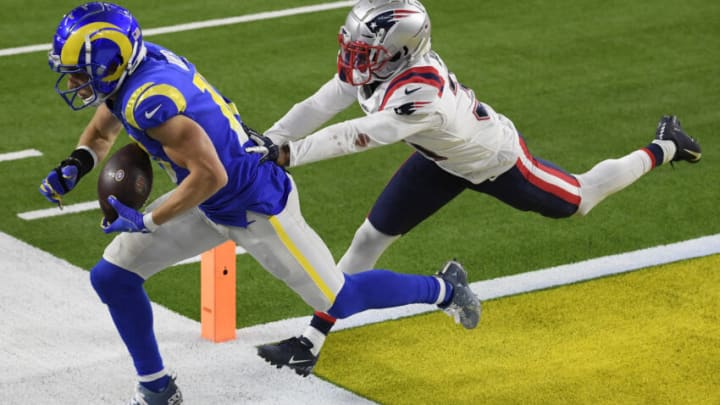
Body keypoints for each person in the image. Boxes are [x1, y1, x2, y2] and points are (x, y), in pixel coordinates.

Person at [38, 3, 481, 404]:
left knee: (338, 299)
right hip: (207, 198)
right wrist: (76, 165)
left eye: (80, 72)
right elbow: (102, 131)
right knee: (112, 278)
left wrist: (149, 220)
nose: (74, 82)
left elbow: (213, 175)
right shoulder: (136, 70)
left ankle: (445, 289)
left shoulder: (150, 99)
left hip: (254, 203)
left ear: (113, 62)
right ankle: (156, 388)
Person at [253, 0, 702, 377]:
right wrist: (272, 138)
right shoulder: (381, 70)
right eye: (354, 45)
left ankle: (666, 146)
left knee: (579, 200)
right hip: (440, 159)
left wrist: (288, 154)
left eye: (366, 49)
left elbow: (355, 135)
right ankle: (310, 341)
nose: (355, 57)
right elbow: (319, 103)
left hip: (495, 161)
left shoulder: (418, 92)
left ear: (400, 51)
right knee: (369, 238)